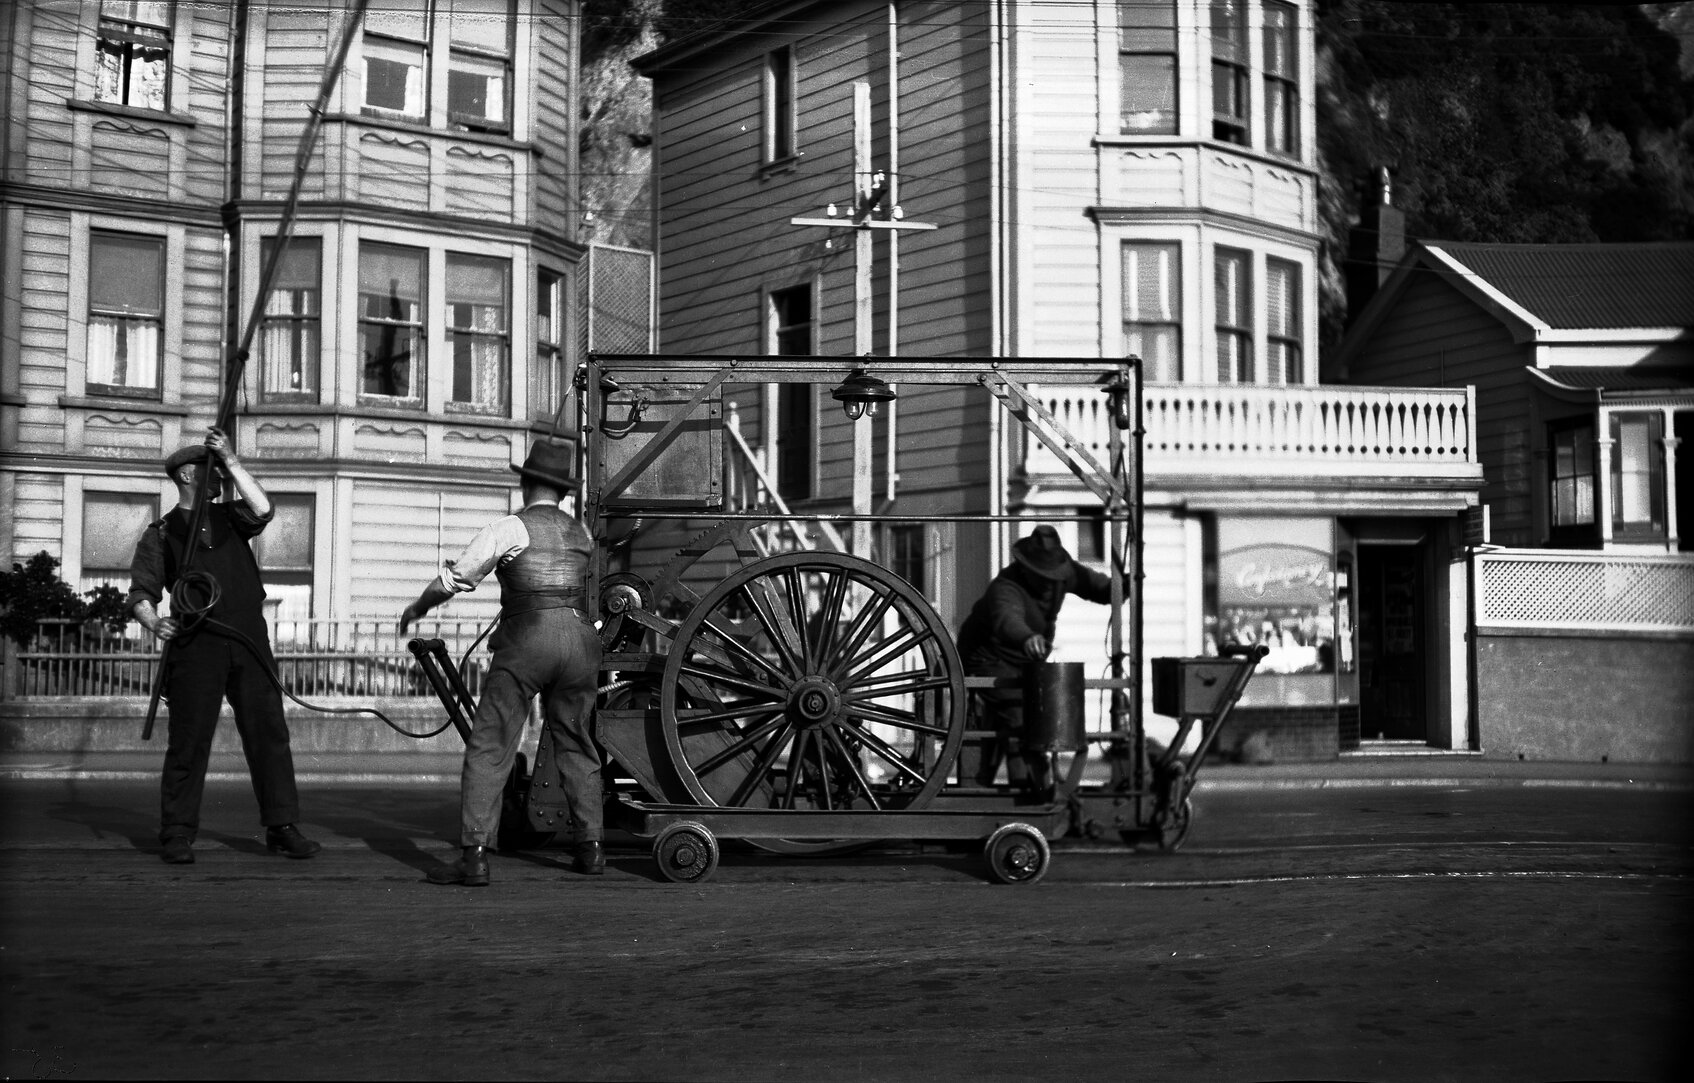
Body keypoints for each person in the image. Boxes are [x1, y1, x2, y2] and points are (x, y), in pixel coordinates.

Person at [400, 439, 604, 886]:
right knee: (575, 740)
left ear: (525, 482)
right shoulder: (581, 533)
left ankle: (474, 855)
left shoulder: (509, 528)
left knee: (491, 744)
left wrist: (418, 607)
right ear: (563, 493)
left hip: (529, 641)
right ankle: (591, 848)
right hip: (581, 640)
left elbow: (457, 578)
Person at [127, 426, 320, 865]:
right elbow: (141, 592)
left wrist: (231, 458)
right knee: (189, 739)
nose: (220, 479)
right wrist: (155, 622)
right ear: (188, 477)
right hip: (197, 642)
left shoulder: (233, 517)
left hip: (249, 636)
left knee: (268, 731)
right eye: (212, 471)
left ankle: (282, 826)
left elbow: (265, 508)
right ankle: (176, 832)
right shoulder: (160, 534)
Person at [954, 525, 1125, 792]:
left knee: (1023, 718)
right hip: (987, 662)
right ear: (1025, 570)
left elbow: (1099, 588)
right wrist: (1027, 638)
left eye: (1053, 577)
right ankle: (1026, 793)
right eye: (1042, 577)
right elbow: (1006, 619)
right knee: (1021, 717)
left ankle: (995, 786)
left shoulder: (1064, 573)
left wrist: (1121, 586)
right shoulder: (1006, 587)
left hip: (1025, 662)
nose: (1049, 583)